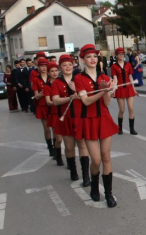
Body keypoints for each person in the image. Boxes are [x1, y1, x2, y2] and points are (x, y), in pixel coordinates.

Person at [74, 44, 119, 207]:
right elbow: (85, 101)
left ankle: (108, 194)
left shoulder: (104, 77)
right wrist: (103, 91)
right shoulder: (79, 78)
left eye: (94, 56)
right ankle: (94, 184)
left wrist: (108, 91)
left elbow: (106, 103)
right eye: (88, 57)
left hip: (104, 118)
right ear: (83, 60)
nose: (92, 59)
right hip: (89, 120)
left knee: (106, 157)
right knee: (97, 160)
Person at [51, 54, 91, 186]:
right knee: (69, 147)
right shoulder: (57, 82)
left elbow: (88, 95)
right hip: (66, 118)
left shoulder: (79, 78)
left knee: (82, 145)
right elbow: (55, 100)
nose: (67, 67)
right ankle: (73, 170)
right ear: (60, 67)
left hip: (80, 117)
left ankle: (86, 175)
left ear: (73, 65)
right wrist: (70, 98)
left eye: (69, 64)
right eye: (64, 65)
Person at [111, 47, 139, 134]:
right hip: (119, 88)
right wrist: (114, 90)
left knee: (131, 108)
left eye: (123, 54)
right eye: (120, 54)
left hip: (129, 88)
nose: (122, 55)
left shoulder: (128, 65)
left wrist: (134, 89)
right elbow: (115, 79)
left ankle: (132, 129)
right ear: (116, 55)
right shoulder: (114, 66)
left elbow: (131, 77)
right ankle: (120, 128)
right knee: (122, 110)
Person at [43, 62, 64, 166]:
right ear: (48, 73)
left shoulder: (62, 82)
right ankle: (58, 155)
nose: (55, 73)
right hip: (55, 113)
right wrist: (58, 101)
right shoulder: (47, 86)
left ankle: (69, 159)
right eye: (52, 71)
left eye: (56, 70)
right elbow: (48, 101)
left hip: (65, 112)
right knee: (59, 139)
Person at [32, 58, 54, 157]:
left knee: (55, 129)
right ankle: (50, 147)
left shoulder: (52, 77)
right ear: (38, 67)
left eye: (45, 66)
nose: (44, 68)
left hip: (53, 104)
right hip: (42, 106)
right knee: (47, 129)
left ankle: (56, 148)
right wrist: (43, 93)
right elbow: (36, 96)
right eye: (42, 66)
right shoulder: (36, 79)